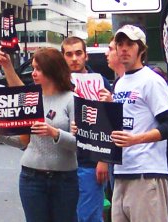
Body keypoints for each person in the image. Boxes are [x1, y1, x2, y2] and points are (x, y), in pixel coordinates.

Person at [0, 47, 78, 222]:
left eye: (39, 69)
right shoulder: (30, 98)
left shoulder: (71, 99)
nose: (33, 73)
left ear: (53, 70)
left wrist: (55, 133)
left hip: (64, 179)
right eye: (33, 68)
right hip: (31, 178)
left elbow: (79, 144)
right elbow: (23, 142)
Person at [100, 24, 168, 222]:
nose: (124, 49)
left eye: (130, 44)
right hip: (121, 171)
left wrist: (136, 139)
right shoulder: (119, 83)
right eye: (120, 44)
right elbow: (121, 122)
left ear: (141, 49)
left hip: (147, 172)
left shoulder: (152, 80)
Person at [61, 36, 111, 222]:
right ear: (63, 57)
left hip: (90, 161)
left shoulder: (100, 82)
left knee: (89, 215)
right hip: (63, 163)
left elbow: (108, 121)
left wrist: (104, 159)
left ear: (86, 56)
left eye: (78, 53)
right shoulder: (59, 85)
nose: (74, 58)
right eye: (69, 54)